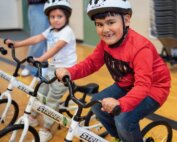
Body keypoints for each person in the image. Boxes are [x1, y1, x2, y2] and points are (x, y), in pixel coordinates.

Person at [56, 0, 171, 142]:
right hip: (127, 83)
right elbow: (91, 63)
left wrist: (121, 103)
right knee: (97, 104)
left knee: (124, 119)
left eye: (111, 22)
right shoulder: (105, 43)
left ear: (126, 20)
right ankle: (122, 137)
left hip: (153, 89)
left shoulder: (141, 48)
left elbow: (143, 86)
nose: (105, 29)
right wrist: (70, 72)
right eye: (99, 24)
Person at [5, 0, 77, 141]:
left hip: (65, 71)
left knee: (52, 99)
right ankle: (33, 116)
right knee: (40, 91)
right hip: (51, 67)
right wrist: (17, 44)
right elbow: (37, 38)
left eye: (59, 16)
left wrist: (41, 58)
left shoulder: (67, 32)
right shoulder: (50, 30)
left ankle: (47, 128)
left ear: (66, 17)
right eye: (52, 17)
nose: (55, 20)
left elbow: (56, 48)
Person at [22, 0, 49, 76]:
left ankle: (47, 67)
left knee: (53, 38)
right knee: (38, 38)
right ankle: (31, 67)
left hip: (56, 4)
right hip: (38, 5)